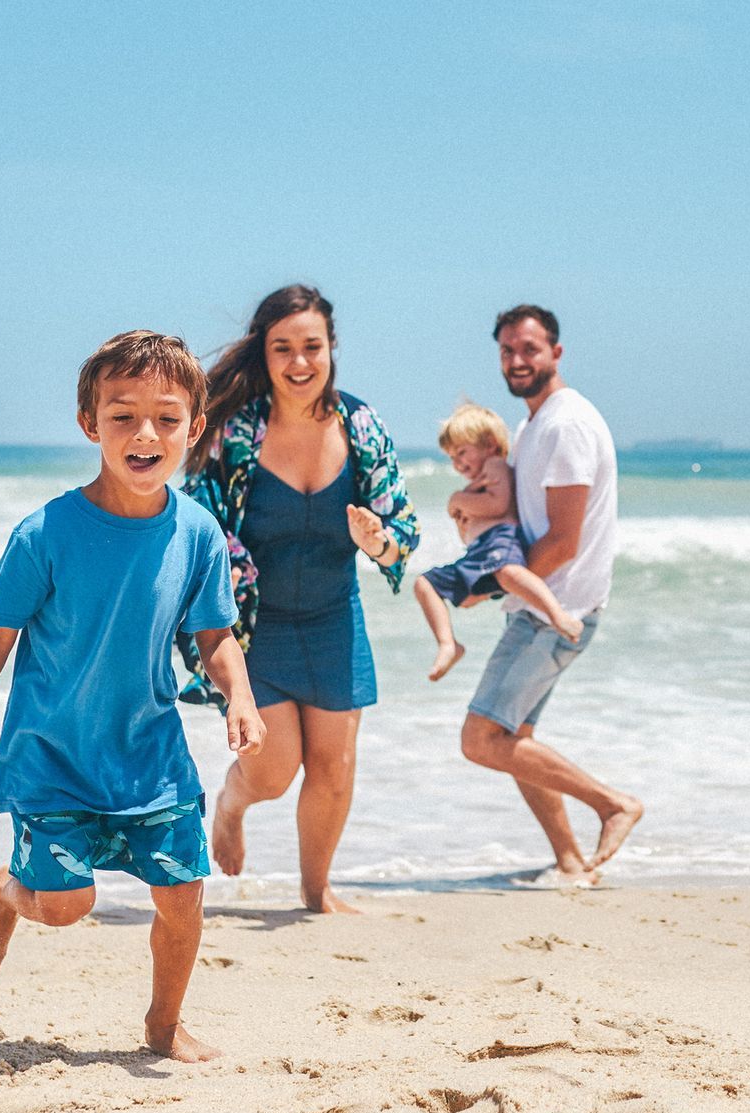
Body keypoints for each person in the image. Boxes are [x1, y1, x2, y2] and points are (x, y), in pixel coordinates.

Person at [0, 331, 265, 1064]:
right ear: (91, 425)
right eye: (123, 416)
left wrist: (238, 694)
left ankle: (163, 1025)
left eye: (167, 418)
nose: (146, 434)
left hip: (150, 754)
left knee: (183, 897)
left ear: (194, 429)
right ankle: (7, 890)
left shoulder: (199, 533)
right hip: (52, 757)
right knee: (65, 906)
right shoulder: (45, 533)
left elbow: (216, 636)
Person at [179, 285, 419, 914]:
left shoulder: (361, 427)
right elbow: (196, 525)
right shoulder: (235, 435)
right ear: (264, 352)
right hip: (258, 629)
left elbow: (401, 533)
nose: (299, 363)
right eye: (283, 348)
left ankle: (316, 893)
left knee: (334, 770)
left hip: (336, 619)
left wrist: (379, 543)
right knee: (274, 769)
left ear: (331, 348)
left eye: (311, 347)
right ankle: (230, 807)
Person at [459, 305, 643, 879]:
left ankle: (613, 805)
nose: (517, 361)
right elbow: (522, 517)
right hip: (539, 606)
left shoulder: (566, 424)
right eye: (508, 351)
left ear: (555, 354)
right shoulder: (532, 425)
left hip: (557, 610)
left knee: (482, 738)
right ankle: (570, 861)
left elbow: (564, 540)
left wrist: (488, 586)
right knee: (515, 736)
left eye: (529, 349)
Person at [414, 400, 582, 681]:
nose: (458, 463)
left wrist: (458, 499)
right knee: (425, 584)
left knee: (509, 572)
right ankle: (448, 644)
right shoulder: (480, 478)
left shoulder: (495, 466)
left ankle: (557, 615)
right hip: (480, 551)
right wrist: (463, 517)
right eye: (452, 458)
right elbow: (470, 534)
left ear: (491, 445)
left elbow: (498, 503)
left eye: (462, 452)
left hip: (500, 541)